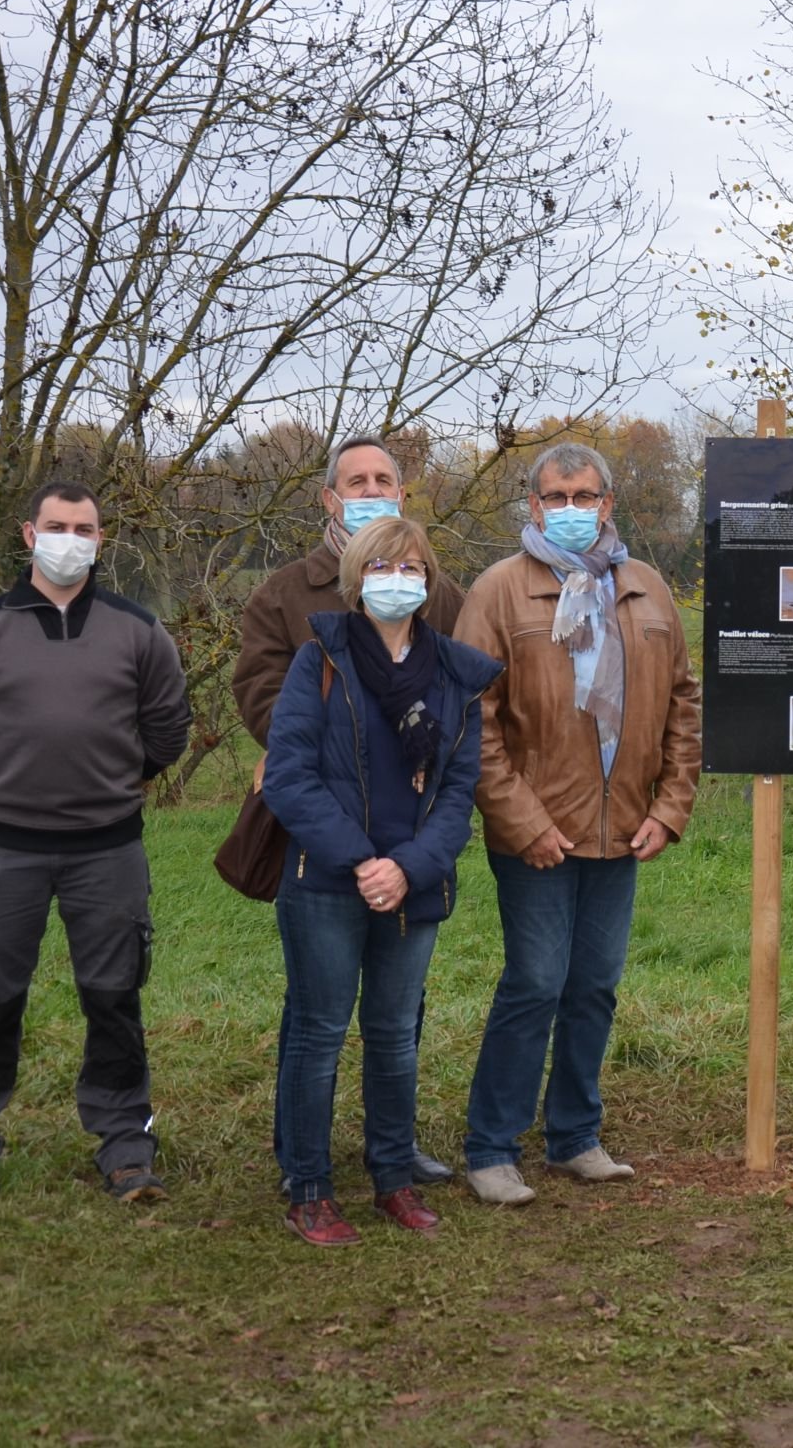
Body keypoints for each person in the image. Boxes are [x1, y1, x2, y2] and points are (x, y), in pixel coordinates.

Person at [0, 482, 191, 1205]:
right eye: (58, 525)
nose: (72, 538)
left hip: (109, 849)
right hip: (5, 851)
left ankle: (127, 1146)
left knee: (113, 995)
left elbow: (167, 730)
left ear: (102, 541)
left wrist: (107, 783)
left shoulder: (139, 631)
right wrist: (8, 787)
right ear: (29, 534)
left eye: (86, 528)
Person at [455, 442, 703, 1204]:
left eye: (584, 496)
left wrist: (669, 807)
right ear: (532, 506)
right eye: (555, 497)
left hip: (623, 826)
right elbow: (472, 719)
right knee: (535, 983)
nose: (571, 509)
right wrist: (519, 817)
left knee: (594, 985)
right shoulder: (498, 592)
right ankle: (492, 1148)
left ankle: (574, 1137)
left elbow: (685, 704)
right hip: (538, 832)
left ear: (608, 505)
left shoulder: (649, 589)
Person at [233, 434, 467, 1186]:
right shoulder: (285, 594)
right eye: (356, 480)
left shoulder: (445, 592)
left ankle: (390, 1154)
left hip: (411, 827)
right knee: (318, 1014)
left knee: (398, 1018)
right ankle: (300, 1154)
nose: (372, 489)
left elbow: (460, 708)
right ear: (331, 499)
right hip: (324, 825)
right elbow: (261, 688)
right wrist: (324, 743)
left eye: (385, 478)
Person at [262, 516, 500, 1245]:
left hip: (413, 885)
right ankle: (310, 1187)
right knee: (320, 1033)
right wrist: (363, 861)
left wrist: (410, 867)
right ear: (355, 578)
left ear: (429, 583)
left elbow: (459, 794)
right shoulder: (320, 661)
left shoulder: (459, 674)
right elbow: (290, 777)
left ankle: (392, 1177)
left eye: (412, 569)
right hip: (329, 881)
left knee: (396, 1036)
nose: (397, 581)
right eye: (381, 568)